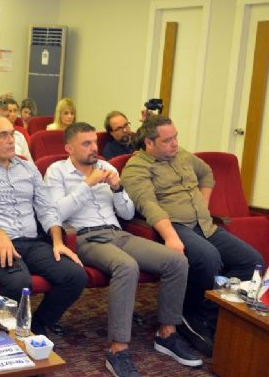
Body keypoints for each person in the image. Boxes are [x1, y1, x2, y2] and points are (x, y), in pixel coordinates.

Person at [45, 122, 201, 376]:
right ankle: (117, 350)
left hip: (118, 233)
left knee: (176, 261)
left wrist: (118, 189)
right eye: (86, 144)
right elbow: (55, 213)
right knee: (127, 267)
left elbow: (127, 213)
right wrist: (87, 185)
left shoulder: (107, 167)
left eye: (94, 142)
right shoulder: (57, 171)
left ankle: (167, 334)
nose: (93, 148)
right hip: (84, 237)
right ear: (69, 148)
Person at [121, 114, 264, 356]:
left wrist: (203, 205)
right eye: (167, 140)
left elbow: (206, 173)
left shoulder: (182, 155)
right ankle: (188, 314)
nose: (175, 144)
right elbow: (148, 205)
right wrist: (170, 236)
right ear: (149, 143)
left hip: (205, 224)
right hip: (176, 226)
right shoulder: (136, 168)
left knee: (251, 261)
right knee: (208, 258)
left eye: (176, 137)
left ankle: (210, 313)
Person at [0, 114, 87, 336]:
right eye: (3, 135)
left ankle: (36, 326)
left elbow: (47, 208)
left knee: (75, 276)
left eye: (12, 134)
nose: (11, 140)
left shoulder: (27, 168)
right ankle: (3, 333)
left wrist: (57, 241)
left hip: (33, 242)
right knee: (19, 282)